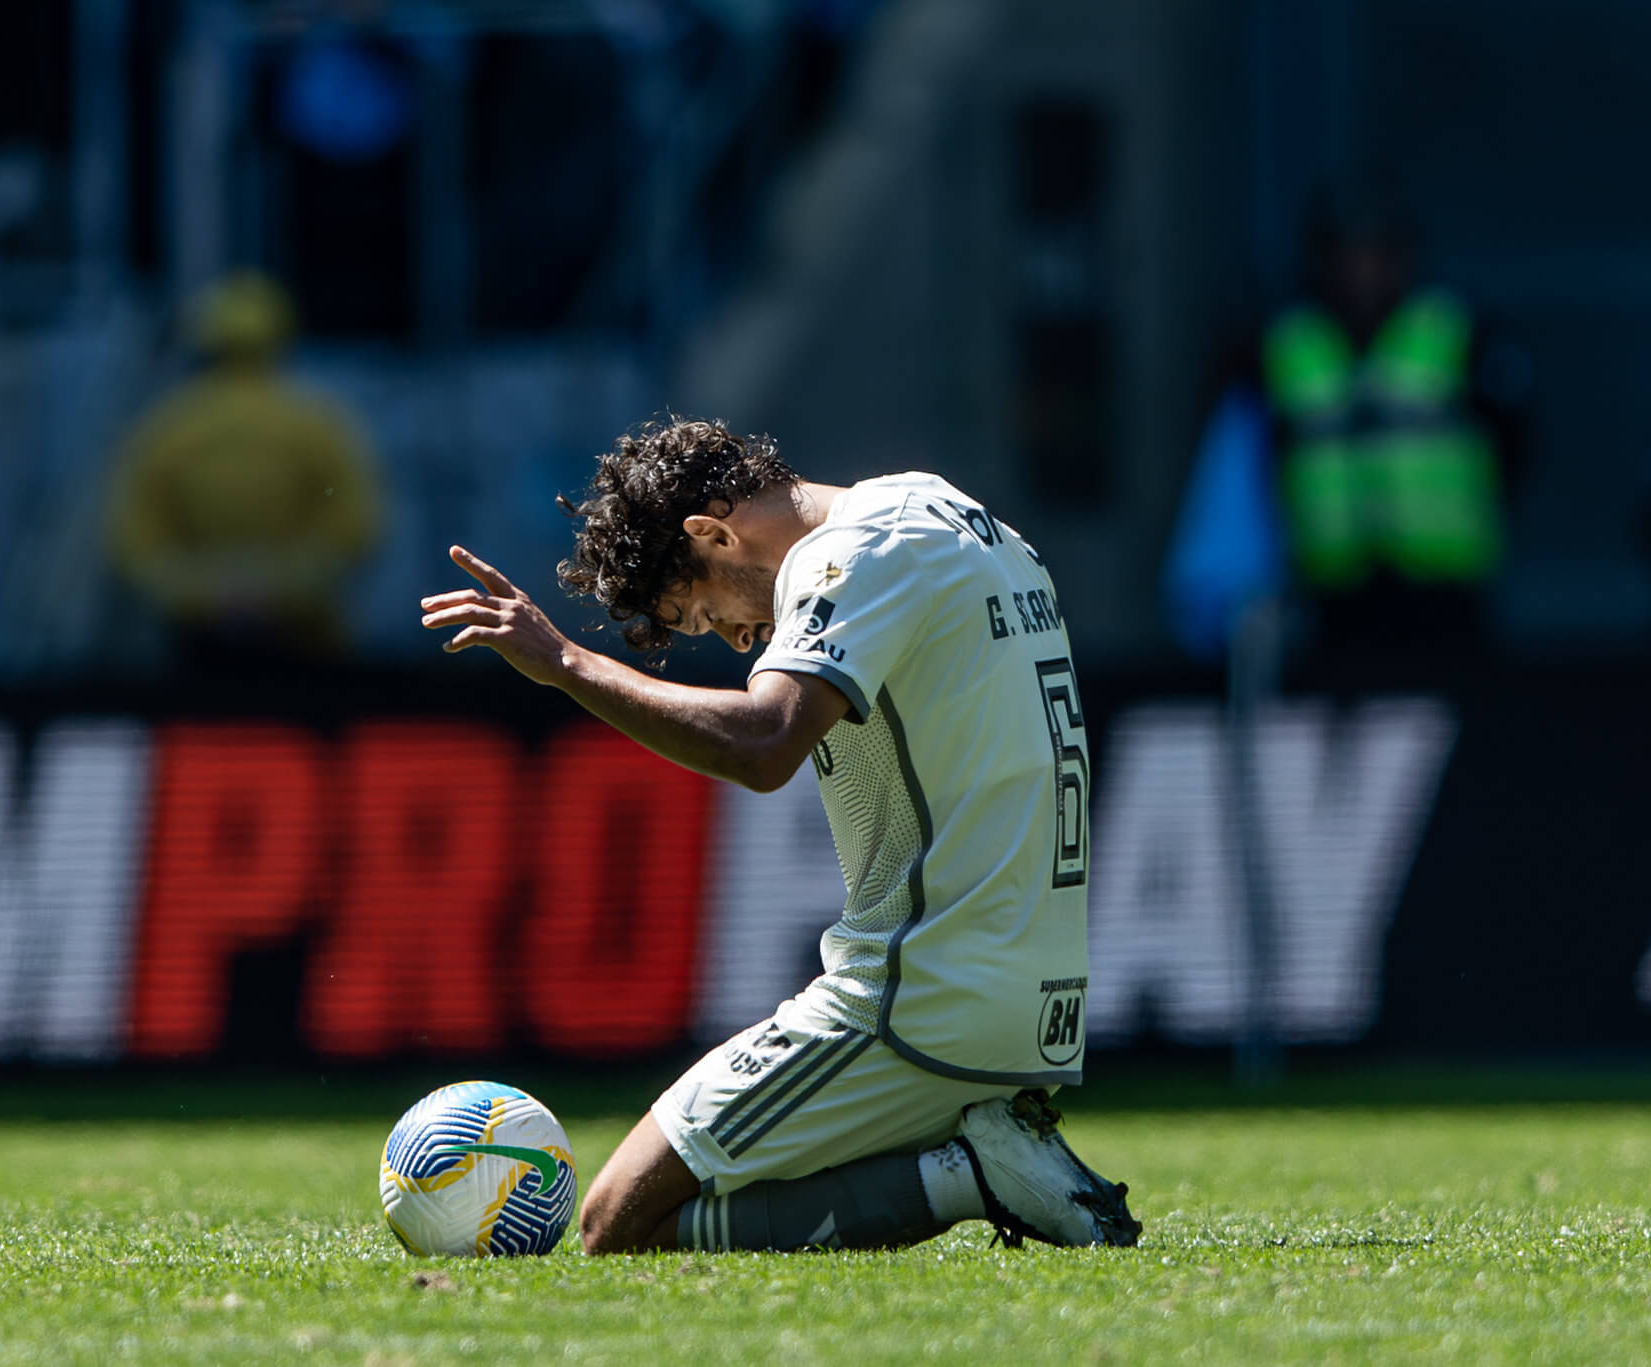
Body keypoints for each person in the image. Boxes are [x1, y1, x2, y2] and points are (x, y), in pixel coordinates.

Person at [419, 417, 1141, 1253]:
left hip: (919, 1001)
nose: (736, 637)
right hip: (1035, 1000)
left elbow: (763, 745)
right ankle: (977, 1151)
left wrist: (565, 662)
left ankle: (966, 1172)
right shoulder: (955, 516)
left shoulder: (852, 554)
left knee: (612, 1221)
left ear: (712, 532)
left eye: (702, 608)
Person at [1165, 190, 1529, 664]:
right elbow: (1240, 473)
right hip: (1329, 601)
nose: (1362, 272)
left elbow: (1517, 447)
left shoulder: (1457, 331)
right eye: (1348, 255)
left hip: (1446, 595)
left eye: (1376, 254)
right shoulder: (1280, 345)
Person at [107, 273, 380, 676]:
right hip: (304, 640)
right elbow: (357, 525)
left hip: (195, 642)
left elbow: (133, 538)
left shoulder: (167, 428)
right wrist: (290, 584)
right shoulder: (318, 424)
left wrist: (194, 589)